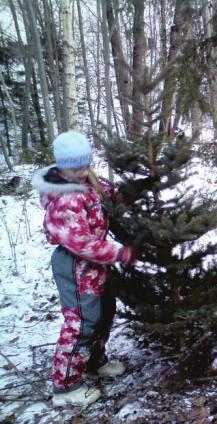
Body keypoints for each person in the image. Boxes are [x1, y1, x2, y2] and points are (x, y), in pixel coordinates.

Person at [32, 131, 137, 407]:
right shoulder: (64, 198)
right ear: (60, 166)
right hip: (75, 264)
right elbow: (81, 243)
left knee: (103, 312)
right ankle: (66, 387)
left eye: (84, 165)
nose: (80, 172)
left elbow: (107, 195)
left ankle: (93, 361)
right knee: (81, 322)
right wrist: (119, 253)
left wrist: (130, 193)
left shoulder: (88, 181)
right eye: (73, 167)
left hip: (95, 265)